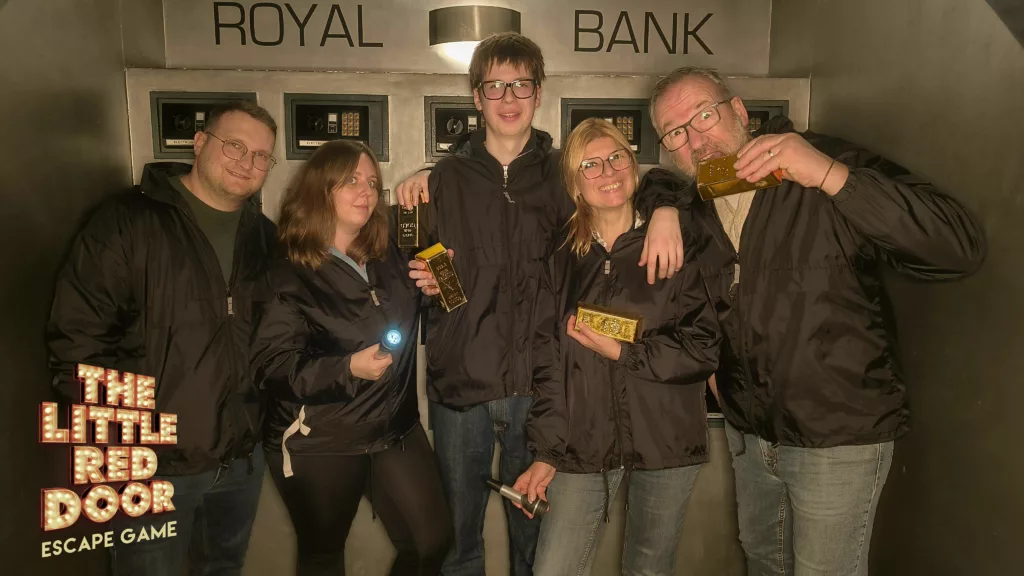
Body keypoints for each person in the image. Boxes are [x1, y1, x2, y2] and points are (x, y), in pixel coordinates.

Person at [648, 66, 986, 575]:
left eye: (704, 115)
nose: (695, 140)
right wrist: (663, 206)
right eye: (675, 132)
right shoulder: (697, 203)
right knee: (764, 563)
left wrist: (830, 175)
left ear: (738, 110)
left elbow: (957, 247)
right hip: (752, 438)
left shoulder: (823, 160)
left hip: (837, 437)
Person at [393, 33, 685, 576]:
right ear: (476, 97)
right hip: (461, 384)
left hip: (542, 389)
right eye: (495, 86)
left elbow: (630, 182)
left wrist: (665, 207)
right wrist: (425, 281)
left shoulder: (564, 173)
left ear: (539, 92)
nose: (509, 98)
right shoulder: (442, 180)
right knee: (459, 542)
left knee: (534, 541)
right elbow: (412, 265)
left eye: (521, 85)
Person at [47, 100, 279, 575]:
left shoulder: (265, 238)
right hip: (153, 466)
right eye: (234, 145)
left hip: (240, 461)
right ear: (199, 142)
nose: (247, 162)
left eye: (261, 155)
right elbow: (77, 342)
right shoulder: (127, 220)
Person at [511, 118, 720, 576]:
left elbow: (703, 348)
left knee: (648, 570)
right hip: (582, 444)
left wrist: (624, 352)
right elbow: (548, 366)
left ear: (633, 164)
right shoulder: (561, 258)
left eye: (617, 157)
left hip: (666, 440)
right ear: (575, 183)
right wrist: (546, 453)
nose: (607, 171)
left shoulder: (677, 242)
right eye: (590, 165)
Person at [250, 140, 453, 576]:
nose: (366, 191)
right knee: (323, 556)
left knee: (432, 543)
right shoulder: (286, 270)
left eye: (372, 182)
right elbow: (274, 365)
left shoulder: (389, 252)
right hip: (320, 439)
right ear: (319, 189)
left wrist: (436, 290)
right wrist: (348, 369)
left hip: (394, 427)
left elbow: (417, 307)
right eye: (351, 181)